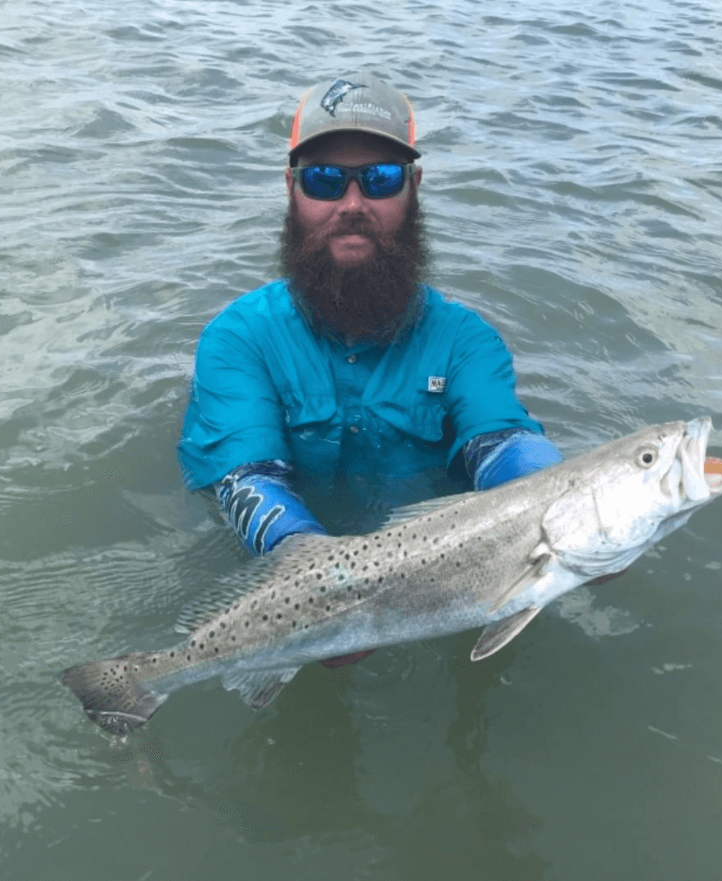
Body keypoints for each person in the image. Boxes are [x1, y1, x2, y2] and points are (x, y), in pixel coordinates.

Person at [178, 73, 562, 663]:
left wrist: (566, 511)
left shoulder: (467, 341)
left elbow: (503, 442)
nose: (352, 205)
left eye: (380, 179)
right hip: (291, 601)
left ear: (414, 188)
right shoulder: (239, 339)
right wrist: (317, 586)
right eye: (325, 180)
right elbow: (246, 480)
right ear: (290, 188)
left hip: (449, 593)